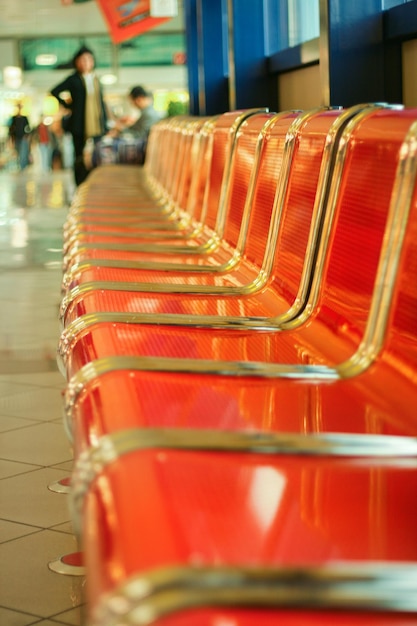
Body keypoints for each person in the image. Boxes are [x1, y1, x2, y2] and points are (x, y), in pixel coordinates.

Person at [50, 45, 108, 186]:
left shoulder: (96, 80)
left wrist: (107, 122)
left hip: (97, 126)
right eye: (82, 60)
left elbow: (101, 103)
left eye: (89, 59)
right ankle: (80, 186)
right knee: (80, 157)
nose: (86, 62)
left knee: (96, 156)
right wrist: (70, 106)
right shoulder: (73, 79)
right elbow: (54, 91)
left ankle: (94, 185)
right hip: (79, 126)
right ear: (76, 62)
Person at [8, 103, 31, 170]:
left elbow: (28, 128)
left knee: (23, 152)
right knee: (17, 152)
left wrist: (27, 135)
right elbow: (11, 129)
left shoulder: (24, 118)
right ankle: (19, 165)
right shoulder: (14, 118)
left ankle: (22, 167)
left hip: (23, 138)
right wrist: (11, 138)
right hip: (16, 138)